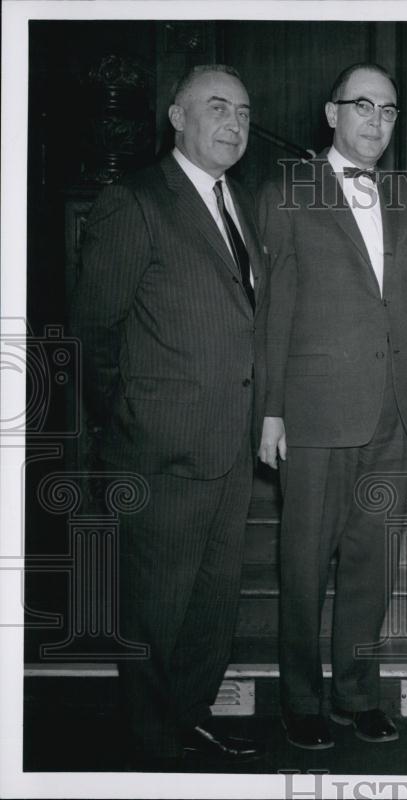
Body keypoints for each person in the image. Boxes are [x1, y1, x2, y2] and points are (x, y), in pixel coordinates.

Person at [73, 64, 265, 766]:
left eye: (243, 112)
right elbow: (93, 331)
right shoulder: (136, 200)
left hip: (230, 445)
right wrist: (129, 426)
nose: (234, 123)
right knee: (153, 612)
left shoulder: (237, 200)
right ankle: (151, 751)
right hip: (159, 450)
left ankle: (190, 718)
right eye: (217, 107)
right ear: (176, 118)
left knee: (210, 611)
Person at [256, 62, 407, 750]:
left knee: (372, 560)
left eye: (388, 110)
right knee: (303, 562)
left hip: (395, 412)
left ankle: (357, 693)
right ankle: (300, 698)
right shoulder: (287, 191)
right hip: (315, 408)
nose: (376, 121)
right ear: (332, 115)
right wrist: (270, 410)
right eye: (363, 106)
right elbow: (274, 308)